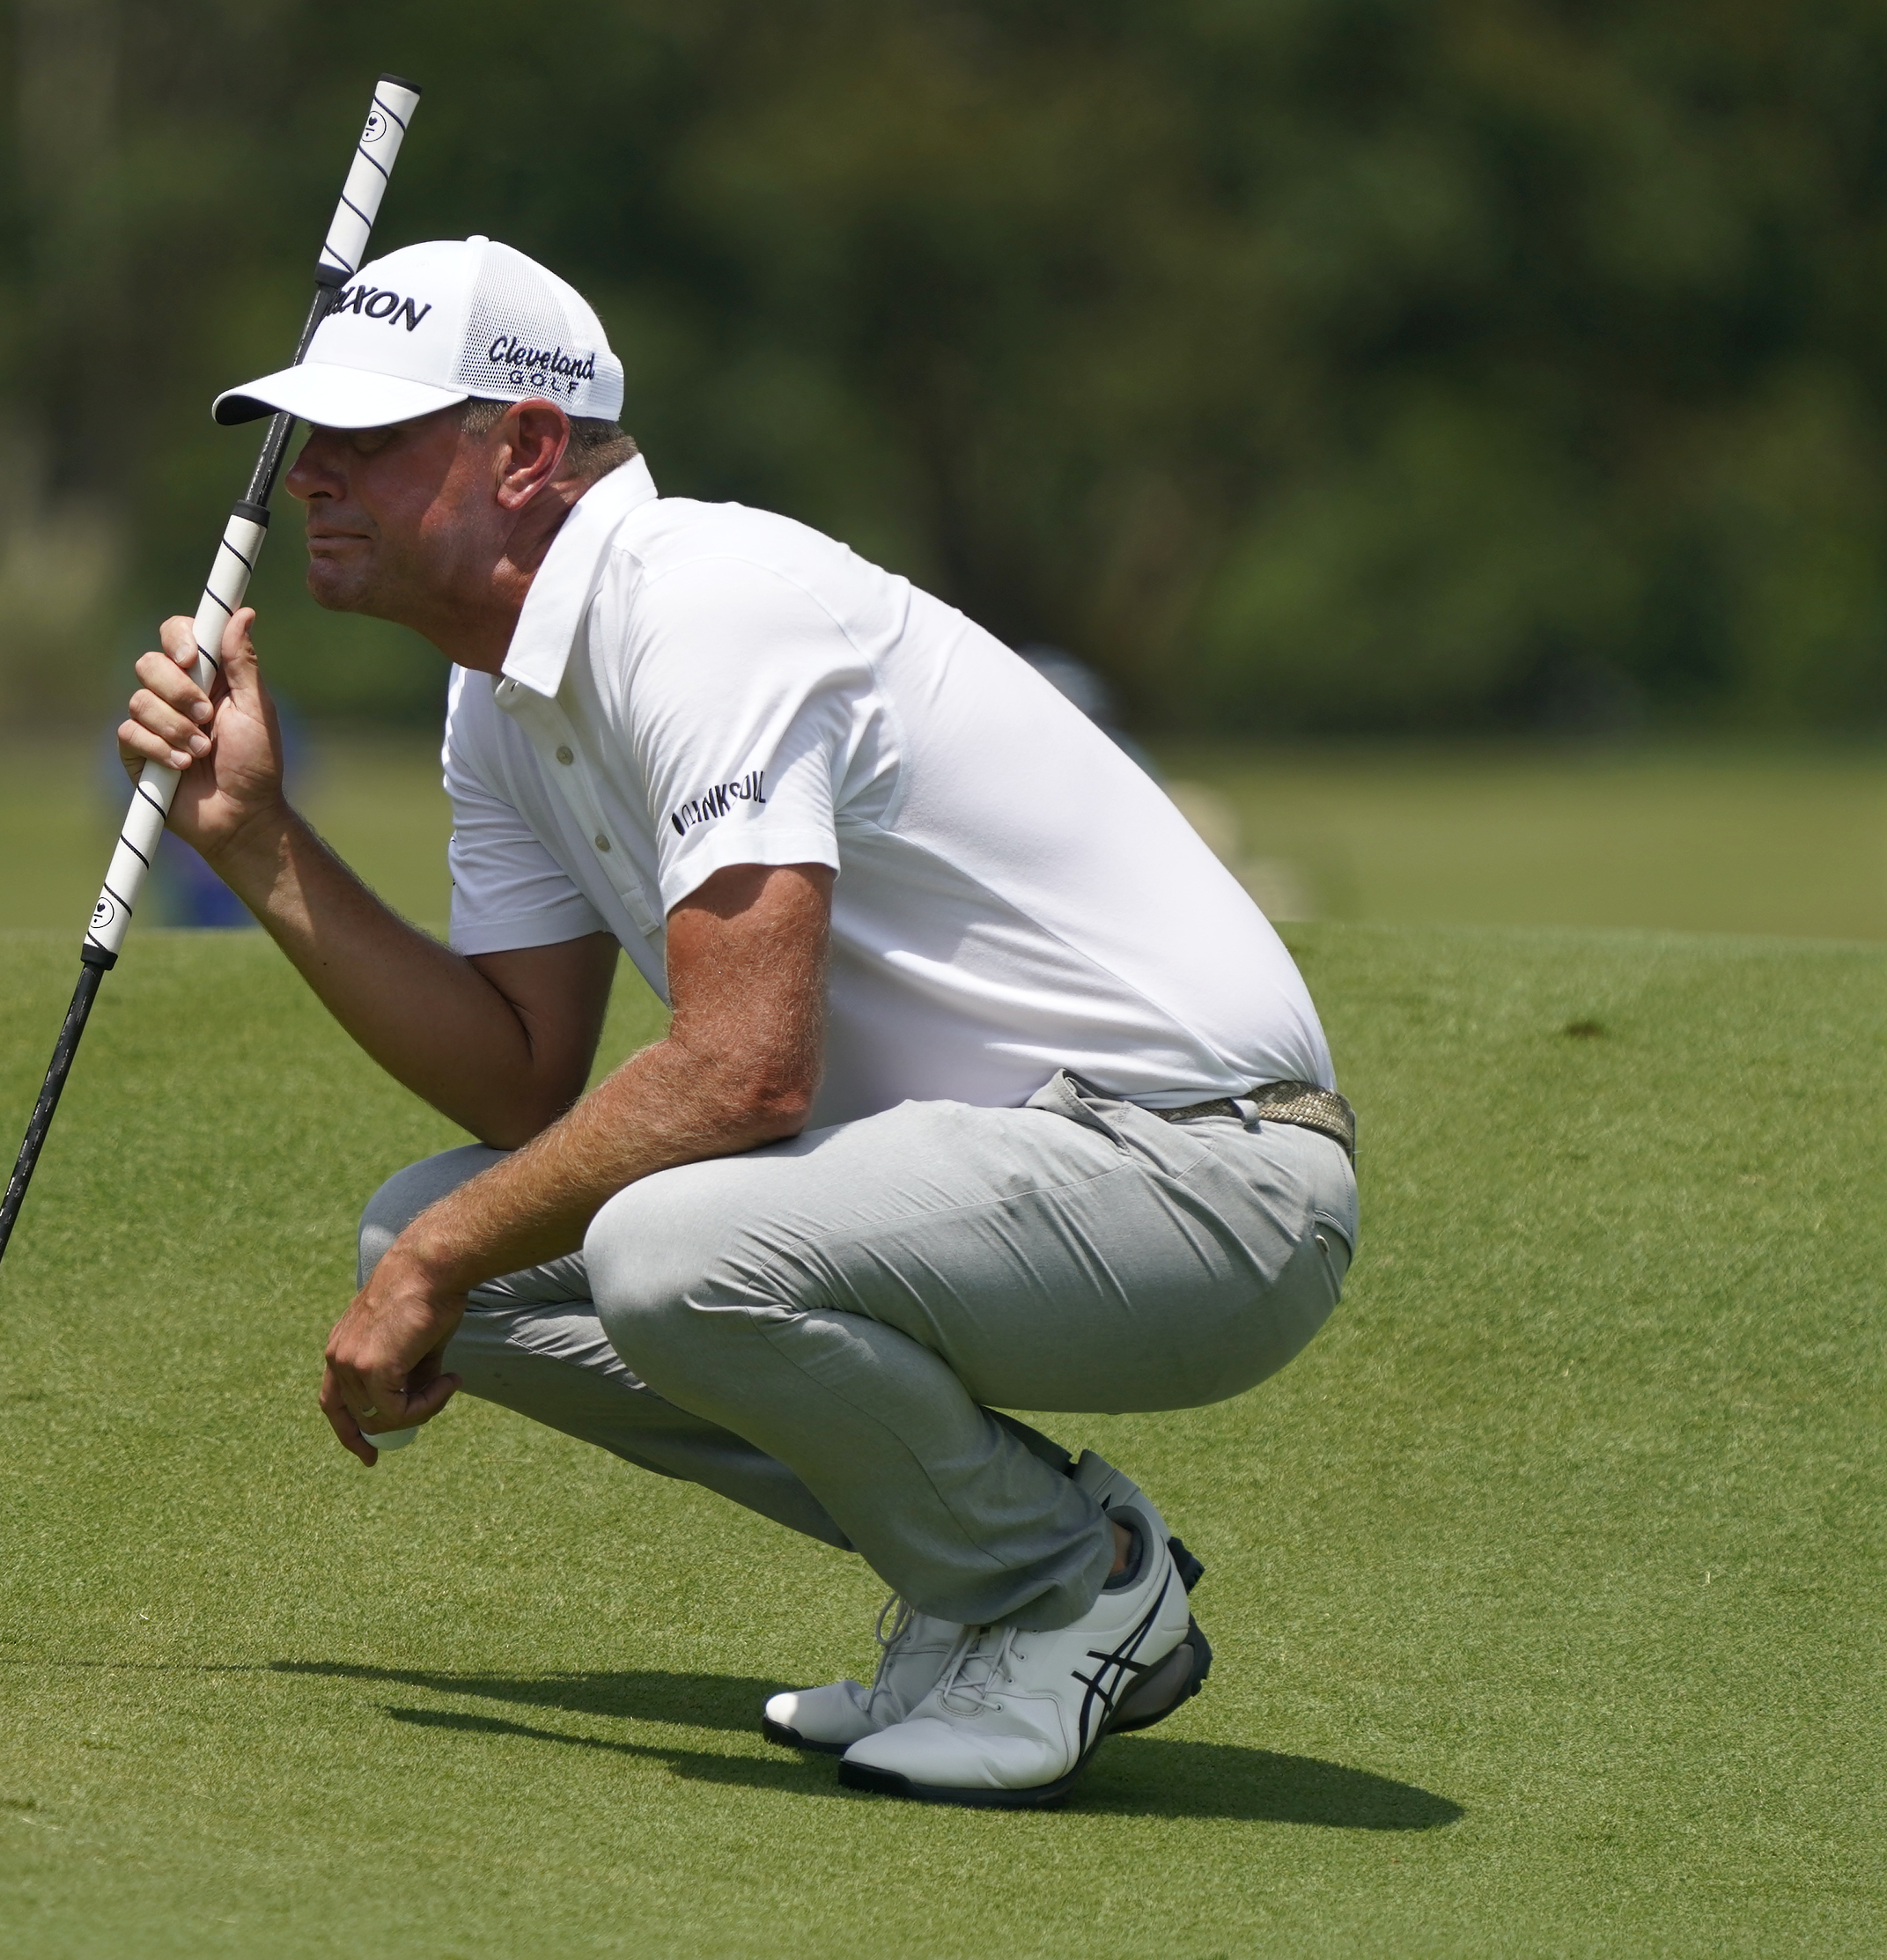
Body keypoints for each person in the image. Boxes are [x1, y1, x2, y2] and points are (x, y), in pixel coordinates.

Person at [114, 236, 1359, 1808]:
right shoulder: (497, 693)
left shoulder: (696, 602)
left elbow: (745, 1070)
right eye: (307, 443)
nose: (309, 480)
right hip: (1017, 1167)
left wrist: (444, 1262)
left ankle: (1069, 1579)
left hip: (1210, 1177)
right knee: (431, 1236)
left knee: (647, 1251)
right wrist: (255, 844)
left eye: (364, 436)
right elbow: (517, 1079)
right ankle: (977, 1574)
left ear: (525, 448)